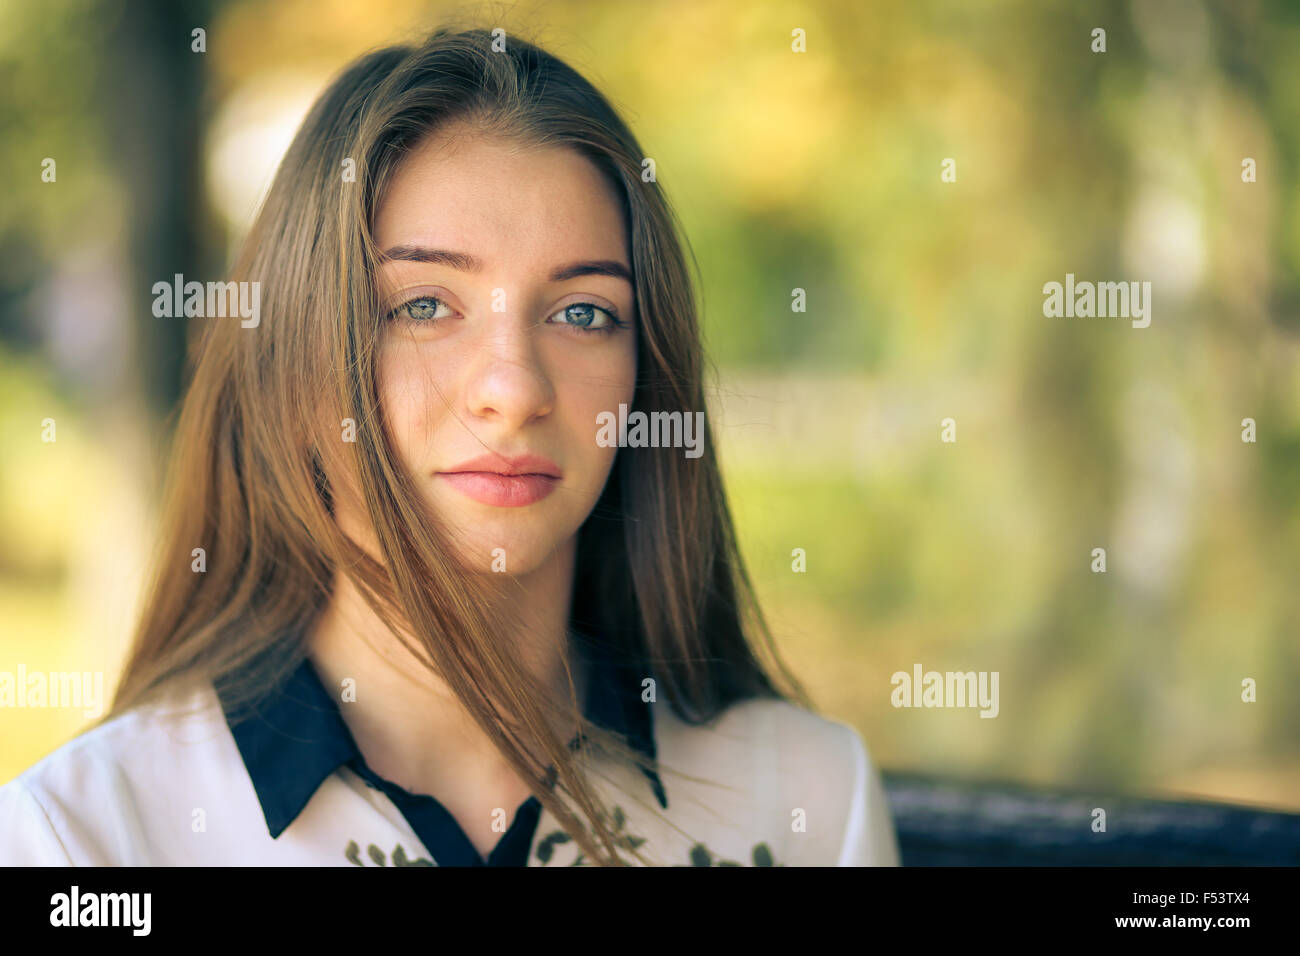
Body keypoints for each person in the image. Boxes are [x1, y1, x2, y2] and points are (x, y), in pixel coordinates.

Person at [0, 26, 899, 867]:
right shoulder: (85, 837)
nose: (512, 389)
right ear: (292, 363)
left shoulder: (809, 802)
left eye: (584, 313)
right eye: (423, 306)